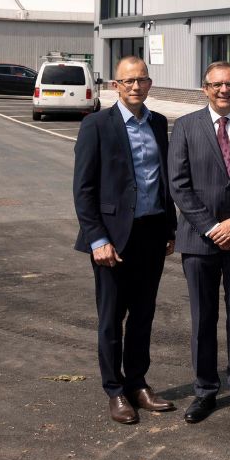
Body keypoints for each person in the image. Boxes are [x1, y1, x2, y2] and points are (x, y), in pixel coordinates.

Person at [72, 56, 177, 425]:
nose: (136, 86)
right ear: (116, 85)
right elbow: (83, 190)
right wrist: (97, 237)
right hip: (112, 239)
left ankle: (138, 383)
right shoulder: (97, 125)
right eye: (128, 81)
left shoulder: (159, 123)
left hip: (152, 233)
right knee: (111, 317)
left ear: (149, 84)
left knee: (144, 314)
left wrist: (169, 229)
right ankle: (114, 390)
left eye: (142, 80)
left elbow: (162, 182)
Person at [168, 62, 230, 424]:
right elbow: (178, 184)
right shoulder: (186, 126)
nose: (224, 90)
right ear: (204, 89)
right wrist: (213, 228)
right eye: (216, 85)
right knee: (202, 318)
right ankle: (205, 390)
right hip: (199, 239)